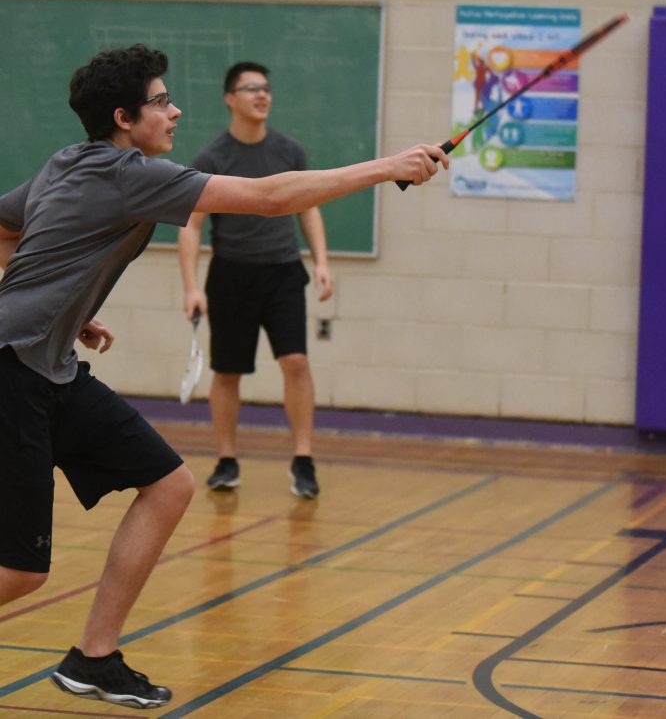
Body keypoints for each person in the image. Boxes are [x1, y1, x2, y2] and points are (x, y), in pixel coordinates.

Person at [0, 43, 447, 709]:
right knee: (21, 571)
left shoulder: (66, 161)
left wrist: (63, 309)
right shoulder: (131, 174)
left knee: (169, 485)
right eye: (160, 100)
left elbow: (8, 230)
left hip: (49, 364)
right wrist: (389, 166)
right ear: (125, 117)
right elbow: (270, 198)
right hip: (13, 374)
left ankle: (93, 658)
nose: (174, 110)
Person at [177, 62, 329, 498]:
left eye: (266, 88)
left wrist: (321, 261)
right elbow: (192, 223)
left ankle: (303, 460)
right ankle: (226, 460)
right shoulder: (212, 158)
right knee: (227, 372)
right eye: (250, 89)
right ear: (230, 98)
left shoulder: (289, 151)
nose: (261, 95)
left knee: (295, 362)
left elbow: (309, 207)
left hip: (283, 273)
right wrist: (192, 286)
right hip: (231, 274)